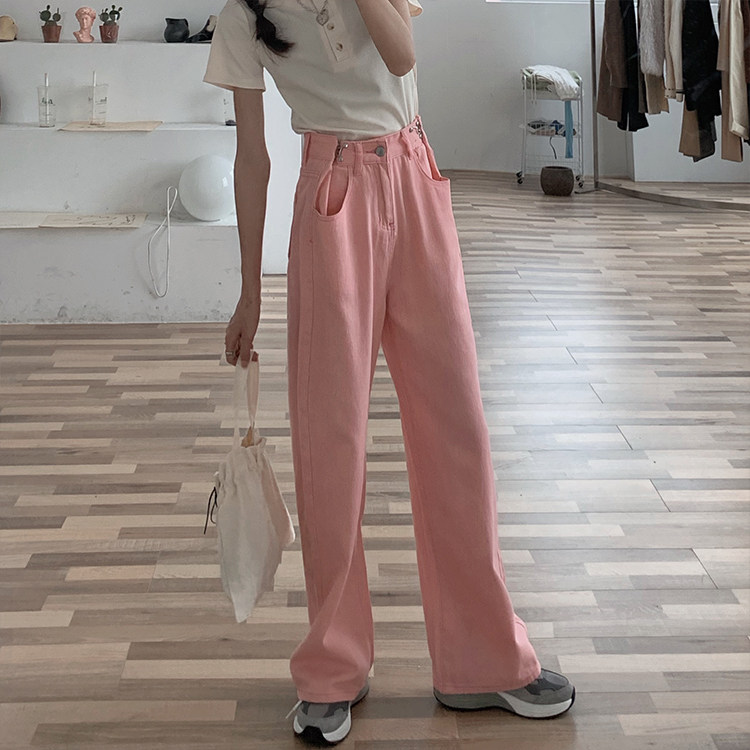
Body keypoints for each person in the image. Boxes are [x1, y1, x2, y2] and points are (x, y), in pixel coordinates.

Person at [203, 1, 575, 744]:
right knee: (329, 443)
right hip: (330, 195)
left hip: (414, 174)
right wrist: (249, 289)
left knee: (457, 428)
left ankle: (483, 658)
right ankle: (332, 669)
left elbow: (401, 55)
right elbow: (252, 156)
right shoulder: (242, 15)